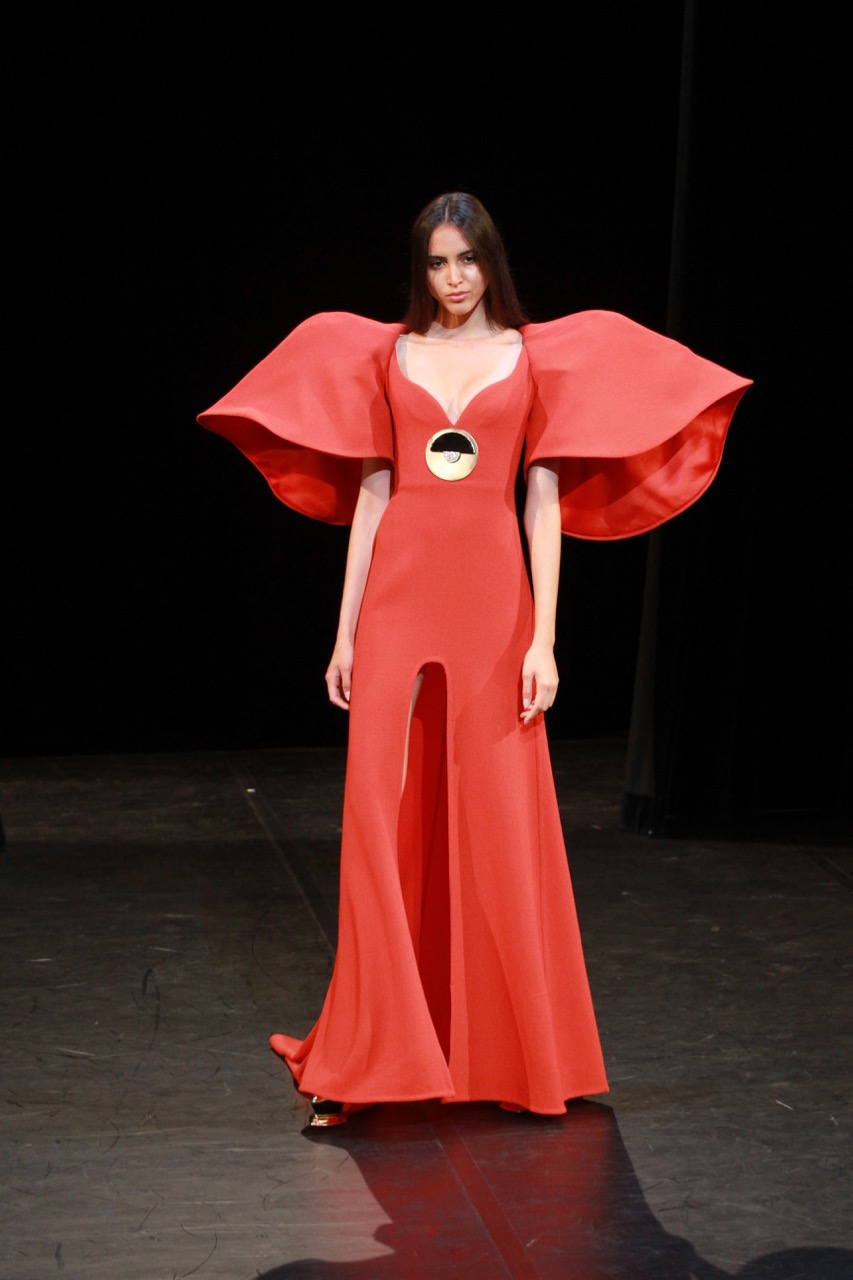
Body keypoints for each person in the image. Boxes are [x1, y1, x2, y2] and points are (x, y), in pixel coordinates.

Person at [198, 192, 751, 1126]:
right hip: (397, 600)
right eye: (436, 263)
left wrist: (544, 639)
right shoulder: (390, 355)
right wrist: (344, 630)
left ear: (491, 263)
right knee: (377, 823)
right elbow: (374, 492)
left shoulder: (531, 357)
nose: (452, 280)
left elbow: (542, 500)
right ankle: (363, 1059)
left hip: (493, 605)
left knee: (499, 821)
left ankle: (517, 1057)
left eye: (466, 260)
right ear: (419, 271)